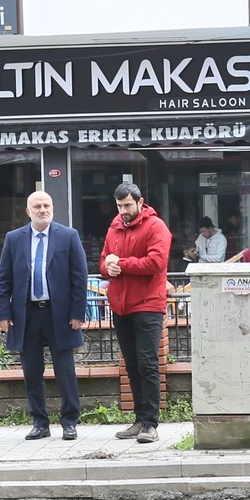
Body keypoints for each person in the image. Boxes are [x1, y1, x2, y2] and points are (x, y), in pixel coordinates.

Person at [0, 190, 89, 440]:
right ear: (28, 211)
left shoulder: (68, 236)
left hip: (60, 314)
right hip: (27, 315)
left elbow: (80, 277)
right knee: (32, 371)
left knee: (65, 371)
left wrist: (78, 312)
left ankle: (69, 421)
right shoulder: (14, 239)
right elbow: (3, 279)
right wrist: (3, 313)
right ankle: (40, 422)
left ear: (53, 209)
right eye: (37, 206)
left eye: (46, 205)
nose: (42, 210)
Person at [101, 181, 171, 444]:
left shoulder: (156, 226)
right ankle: (139, 420)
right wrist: (109, 269)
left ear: (141, 202)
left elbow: (156, 262)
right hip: (121, 305)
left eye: (128, 205)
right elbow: (104, 262)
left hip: (147, 305)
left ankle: (151, 424)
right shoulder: (115, 228)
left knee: (147, 364)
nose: (123, 211)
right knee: (132, 365)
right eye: (119, 206)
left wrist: (121, 264)